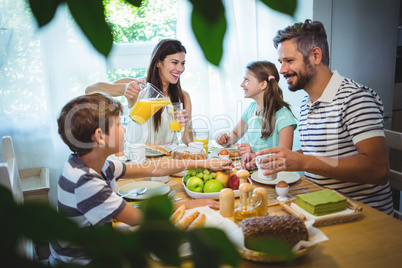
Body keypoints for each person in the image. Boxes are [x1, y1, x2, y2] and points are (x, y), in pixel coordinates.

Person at [49, 93, 231, 265]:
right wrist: (188, 205)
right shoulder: (85, 182)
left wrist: (205, 163)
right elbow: (138, 218)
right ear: (100, 137)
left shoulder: (93, 163)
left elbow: (154, 167)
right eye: (119, 125)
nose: (124, 129)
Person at [245, 19, 393, 214]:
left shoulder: (355, 98)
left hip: (361, 215)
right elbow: (318, 154)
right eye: (281, 62)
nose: (282, 70)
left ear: (315, 55)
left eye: (289, 61)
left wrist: (303, 162)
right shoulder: (307, 104)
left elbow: (378, 169)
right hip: (318, 204)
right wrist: (277, 158)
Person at [85, 39, 193, 145]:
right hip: (138, 158)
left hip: (168, 160)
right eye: (175, 62)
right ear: (158, 62)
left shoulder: (183, 97)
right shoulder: (138, 86)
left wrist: (186, 122)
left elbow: (188, 141)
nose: (180, 68)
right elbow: (90, 90)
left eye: (183, 63)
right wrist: (124, 89)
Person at [216, 61, 297, 159]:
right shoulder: (251, 109)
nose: (242, 84)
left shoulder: (283, 115)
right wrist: (226, 140)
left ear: (263, 84)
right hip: (254, 171)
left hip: (274, 173)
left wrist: (255, 154)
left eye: (246, 80)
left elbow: (284, 156)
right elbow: (236, 133)